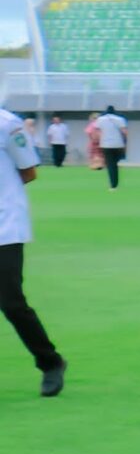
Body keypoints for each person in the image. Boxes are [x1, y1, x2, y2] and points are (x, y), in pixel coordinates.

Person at [0, 106, 66, 398]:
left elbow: (28, 171)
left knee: (11, 302)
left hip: (4, 226)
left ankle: (50, 362)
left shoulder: (7, 124)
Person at [95, 106, 128, 187]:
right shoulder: (120, 119)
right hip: (118, 144)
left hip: (105, 144)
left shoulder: (100, 119)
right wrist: (125, 143)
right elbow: (125, 132)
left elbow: (98, 132)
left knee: (110, 164)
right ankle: (115, 181)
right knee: (115, 163)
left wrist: (99, 142)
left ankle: (113, 184)